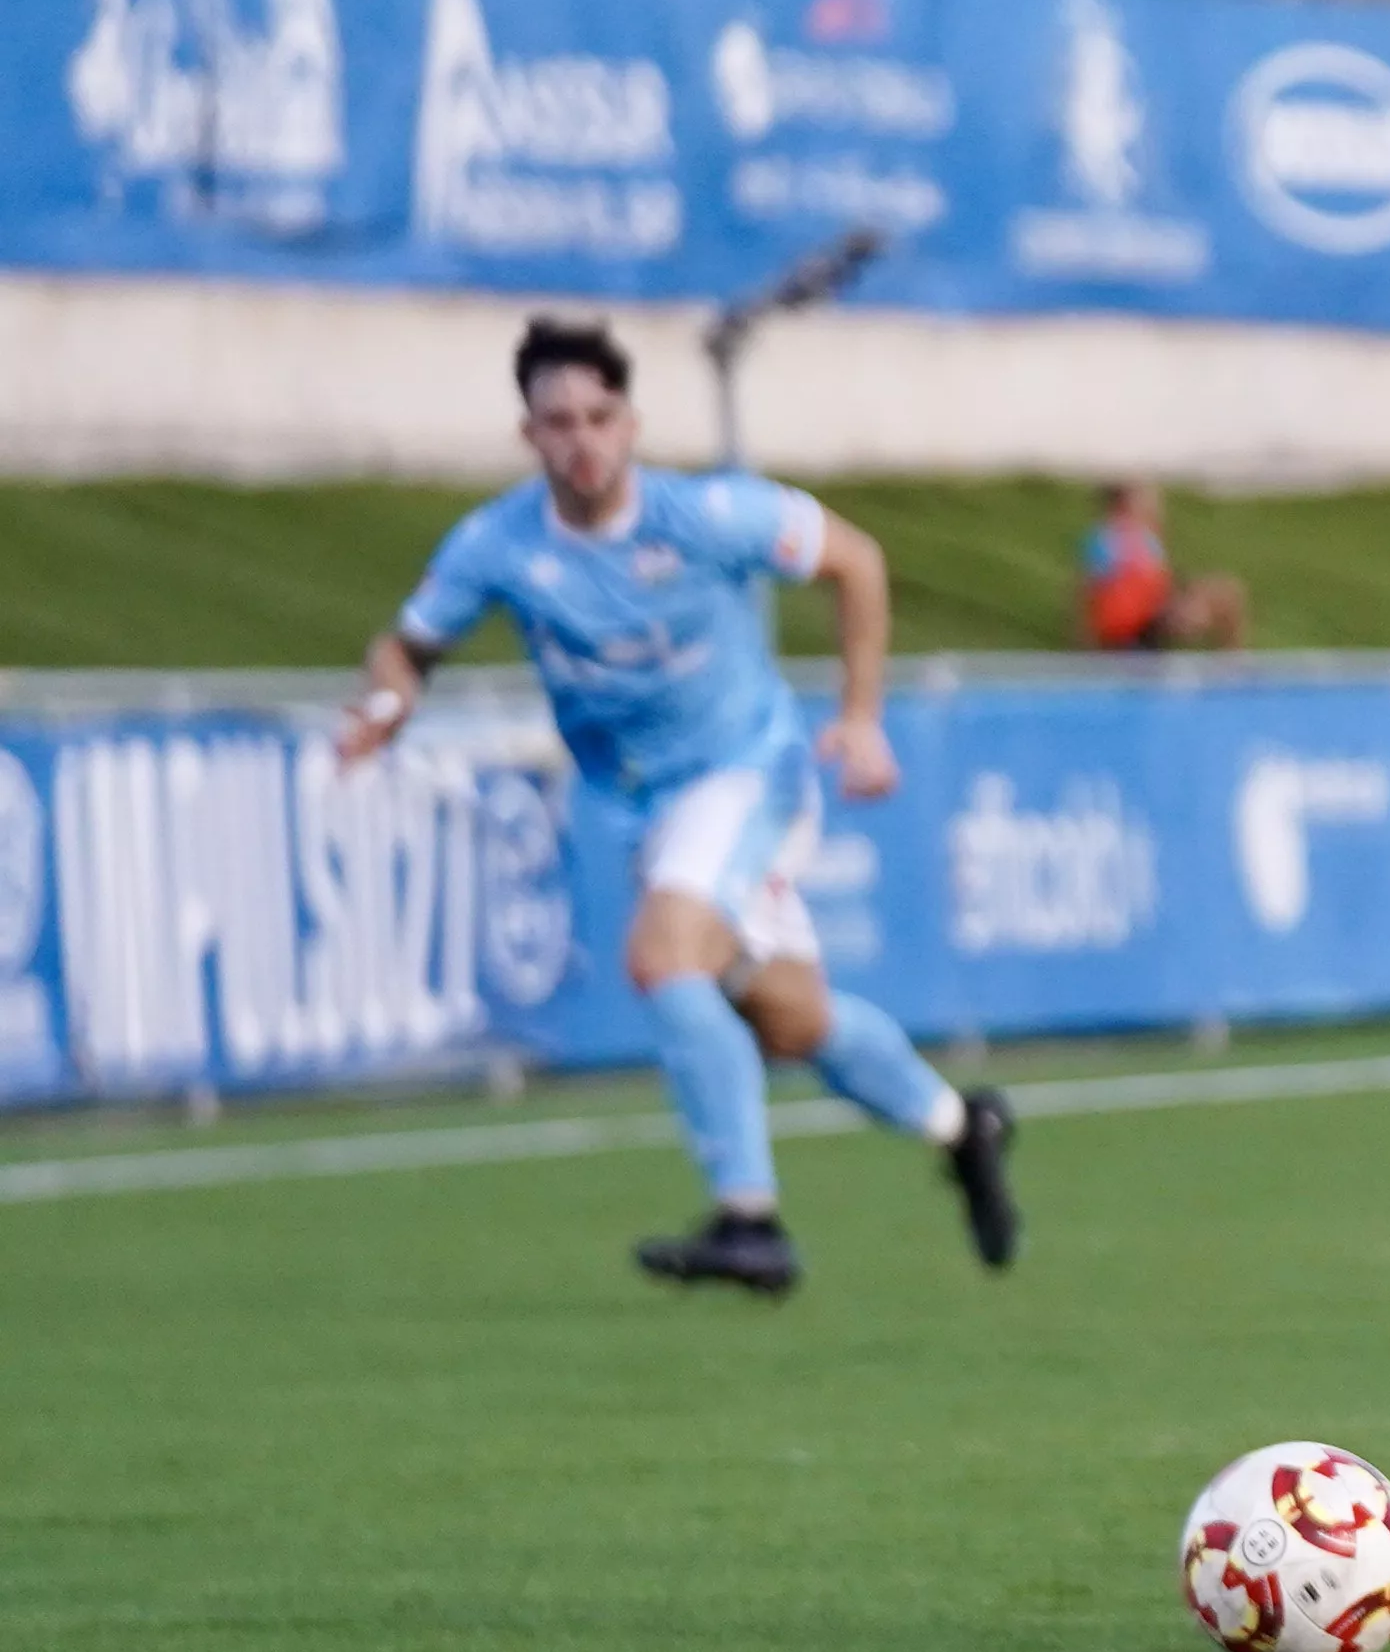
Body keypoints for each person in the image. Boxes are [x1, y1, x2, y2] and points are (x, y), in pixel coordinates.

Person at [339, 318, 1019, 1297]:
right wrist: (385, 703)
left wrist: (862, 718)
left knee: (664, 957)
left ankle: (749, 1220)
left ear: (631, 421)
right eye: (558, 421)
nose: (582, 439)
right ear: (529, 436)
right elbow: (409, 646)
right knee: (791, 1022)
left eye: (599, 416)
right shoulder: (496, 544)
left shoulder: (704, 515)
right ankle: (964, 1129)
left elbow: (855, 561)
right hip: (640, 806)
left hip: (748, 773)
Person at [1080, 481, 1248, 652]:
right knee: (1222, 596)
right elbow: (1092, 592)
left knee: (1225, 592)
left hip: (1154, 611)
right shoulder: (1110, 539)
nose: (1157, 507)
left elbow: (1158, 580)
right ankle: (1231, 658)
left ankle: (1230, 658)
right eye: (1149, 500)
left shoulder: (1143, 536)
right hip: (1138, 623)